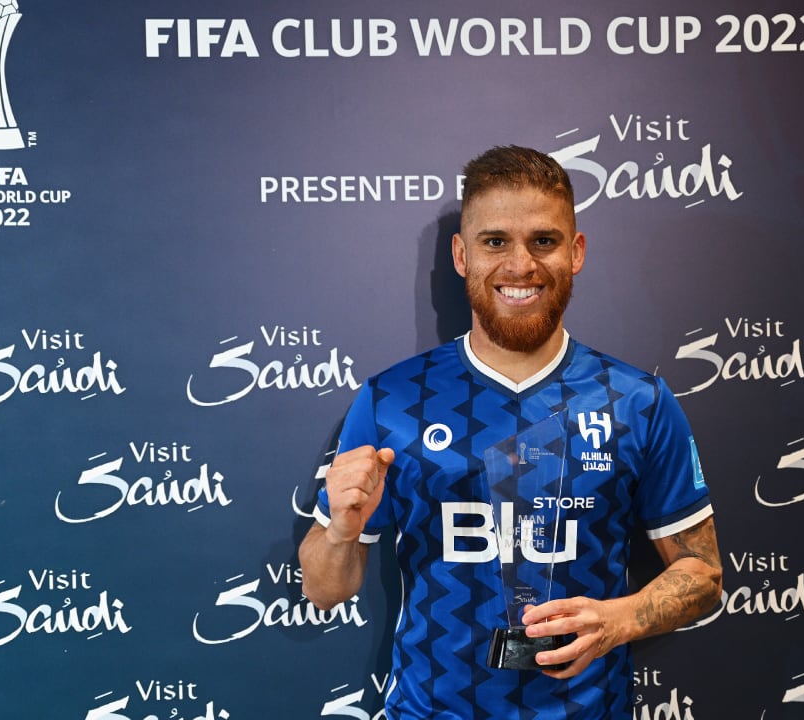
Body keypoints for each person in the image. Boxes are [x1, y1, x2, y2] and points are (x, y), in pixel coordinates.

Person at [299, 145, 722, 719]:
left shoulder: (637, 401)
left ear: (575, 252)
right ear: (461, 255)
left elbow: (702, 573)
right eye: (495, 241)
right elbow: (324, 590)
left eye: (543, 240)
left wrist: (619, 620)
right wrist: (341, 532)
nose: (520, 265)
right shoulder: (392, 400)